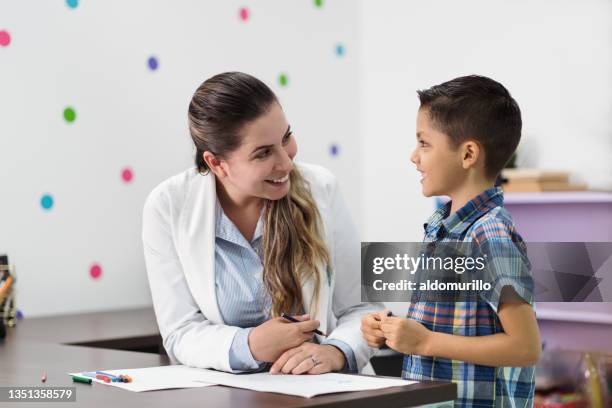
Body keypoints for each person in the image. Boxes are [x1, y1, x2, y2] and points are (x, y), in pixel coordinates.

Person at [143, 71, 382, 375]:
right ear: (217, 163)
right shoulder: (167, 206)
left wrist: (336, 352)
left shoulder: (322, 187)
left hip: (324, 391)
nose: (286, 162)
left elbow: (365, 308)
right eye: (264, 153)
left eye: (286, 138)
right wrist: (251, 345)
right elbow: (179, 331)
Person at [361, 75, 541, 406]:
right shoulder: (442, 229)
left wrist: (426, 342)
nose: (413, 156)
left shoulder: (489, 235)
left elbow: (525, 347)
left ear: (468, 154)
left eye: (424, 143)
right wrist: (391, 331)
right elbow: (442, 326)